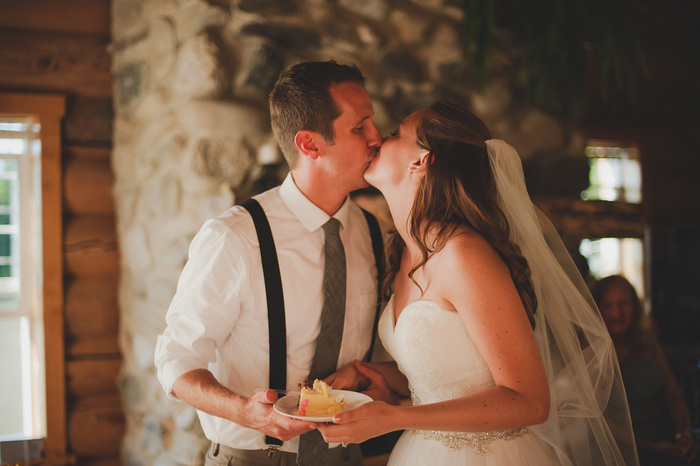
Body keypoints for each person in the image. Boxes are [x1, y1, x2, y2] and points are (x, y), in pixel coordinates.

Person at [318, 100, 640, 465]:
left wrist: (396, 417)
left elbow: (530, 401)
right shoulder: (405, 251)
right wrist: (373, 375)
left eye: (394, 133)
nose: (378, 138)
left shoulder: (464, 255)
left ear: (421, 161)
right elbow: (449, 373)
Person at [154, 60, 384, 466]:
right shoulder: (235, 237)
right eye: (359, 127)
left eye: (372, 123)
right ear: (309, 144)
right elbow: (175, 359)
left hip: (349, 457)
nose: (377, 138)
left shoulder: (376, 234)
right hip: (254, 458)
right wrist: (245, 411)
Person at [592, 275, 699, 466]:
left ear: (634, 305)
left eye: (623, 303)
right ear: (596, 309)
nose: (617, 312)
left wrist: (683, 434)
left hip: (666, 435)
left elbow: (673, 393)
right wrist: (654, 447)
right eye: (608, 305)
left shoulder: (646, 339)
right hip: (622, 448)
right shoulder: (591, 352)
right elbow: (599, 420)